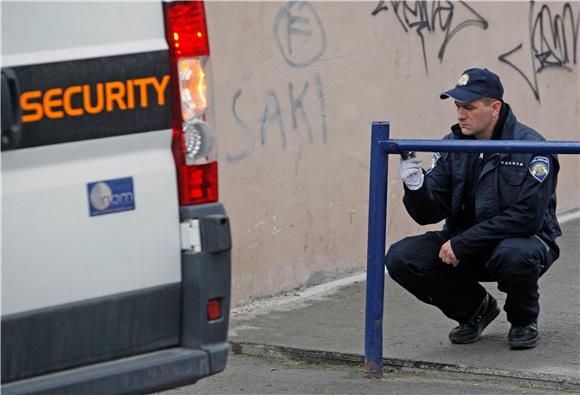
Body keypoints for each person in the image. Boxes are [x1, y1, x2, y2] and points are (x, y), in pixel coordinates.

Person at [385, 68, 561, 349]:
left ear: (494, 108)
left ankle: (523, 320)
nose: (459, 115)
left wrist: (463, 242)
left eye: (469, 107)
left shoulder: (531, 147)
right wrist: (415, 187)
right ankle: (474, 310)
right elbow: (427, 214)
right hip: (464, 244)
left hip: (520, 243)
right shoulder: (453, 146)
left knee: (516, 254)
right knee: (402, 257)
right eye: (457, 106)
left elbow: (527, 218)